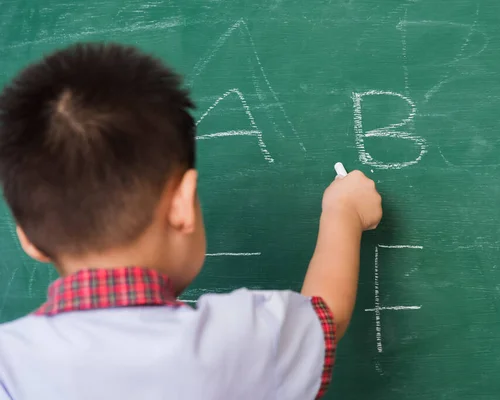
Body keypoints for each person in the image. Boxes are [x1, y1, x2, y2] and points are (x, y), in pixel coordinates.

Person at [0, 42, 382, 400]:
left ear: (28, 237)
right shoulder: (235, 340)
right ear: (182, 204)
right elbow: (327, 315)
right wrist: (342, 213)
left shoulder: (9, 365)